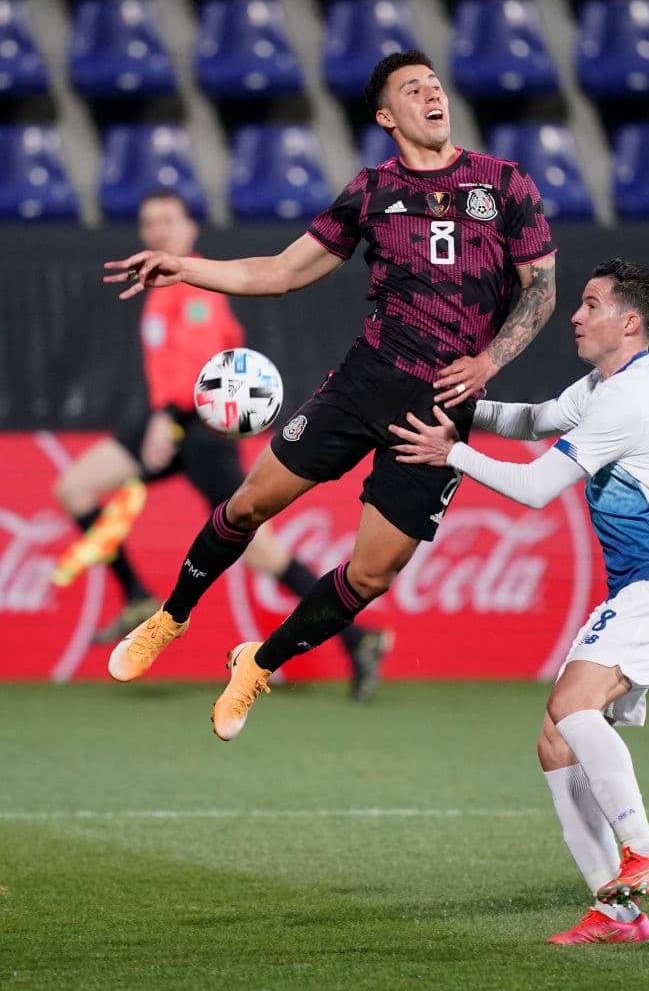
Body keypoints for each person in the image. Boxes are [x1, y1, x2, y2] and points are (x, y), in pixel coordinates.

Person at [101, 49, 557, 739]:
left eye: (435, 86)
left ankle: (257, 664)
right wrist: (184, 268)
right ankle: (170, 616)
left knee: (373, 576)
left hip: (438, 413)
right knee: (250, 501)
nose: (432, 96)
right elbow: (279, 272)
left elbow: (541, 290)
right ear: (386, 116)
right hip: (364, 383)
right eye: (413, 90)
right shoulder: (373, 190)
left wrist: (491, 357)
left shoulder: (505, 184)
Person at [388, 259, 649, 945]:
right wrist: (463, 407)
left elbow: (536, 489)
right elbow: (535, 419)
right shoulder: (604, 383)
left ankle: (645, 854)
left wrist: (451, 453)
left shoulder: (629, 398)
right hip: (641, 589)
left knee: (571, 709)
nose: (574, 314)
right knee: (555, 741)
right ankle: (618, 914)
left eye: (589, 304)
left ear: (627, 323)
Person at [55, 189, 392, 701]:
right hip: (166, 423)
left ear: (190, 229)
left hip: (195, 430)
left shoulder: (191, 283)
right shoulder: (165, 283)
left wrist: (165, 422)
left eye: (168, 220)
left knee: (259, 549)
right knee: (75, 489)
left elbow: (201, 363)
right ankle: (138, 598)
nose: (158, 231)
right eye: (149, 223)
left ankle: (359, 638)